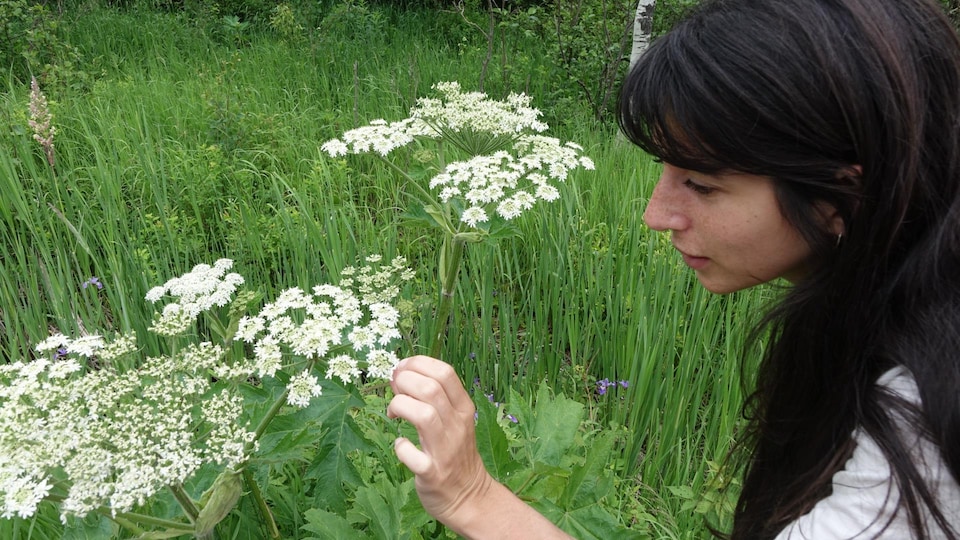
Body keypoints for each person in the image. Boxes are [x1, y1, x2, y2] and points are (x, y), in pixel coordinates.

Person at [386, 0, 960, 537]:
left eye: (702, 184)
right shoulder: (897, 300)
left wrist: (472, 497)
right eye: (665, 170)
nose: (654, 216)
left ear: (841, 195)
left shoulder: (926, 412)